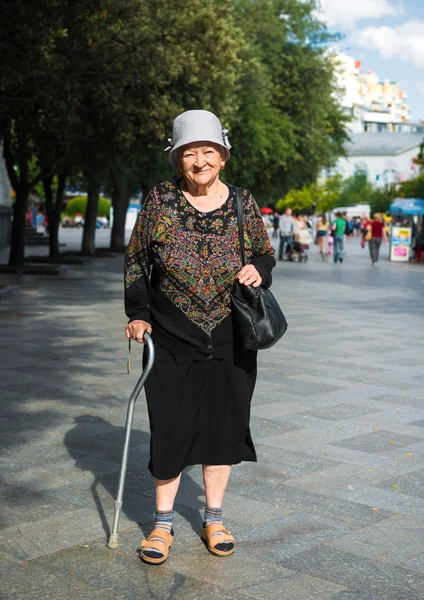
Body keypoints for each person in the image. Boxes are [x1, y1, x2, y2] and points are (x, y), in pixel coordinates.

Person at [124, 110, 275, 565]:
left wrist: (258, 271)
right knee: (169, 429)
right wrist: (138, 313)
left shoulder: (243, 202)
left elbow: (265, 255)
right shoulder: (159, 201)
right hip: (170, 337)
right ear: (177, 161)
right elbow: (136, 262)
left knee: (221, 430)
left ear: (223, 157)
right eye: (190, 154)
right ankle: (162, 525)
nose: (200, 161)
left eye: (208, 151)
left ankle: (214, 518)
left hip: (231, 337)